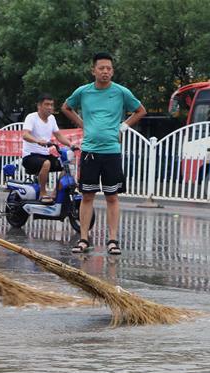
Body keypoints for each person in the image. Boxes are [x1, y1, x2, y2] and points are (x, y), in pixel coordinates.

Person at [62, 52, 146, 256]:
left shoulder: (121, 92)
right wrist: (83, 124)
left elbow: (140, 110)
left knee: (112, 196)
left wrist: (123, 127)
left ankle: (113, 240)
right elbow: (66, 107)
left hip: (111, 152)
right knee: (87, 196)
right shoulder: (83, 92)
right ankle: (83, 239)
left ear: (112, 71)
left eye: (109, 68)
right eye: (101, 68)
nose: (105, 71)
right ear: (93, 70)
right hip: (90, 151)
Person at [21, 93, 77, 203]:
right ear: (39, 106)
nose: (50, 107)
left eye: (51, 105)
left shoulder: (52, 118)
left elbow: (59, 135)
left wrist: (71, 145)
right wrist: (37, 141)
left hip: (45, 155)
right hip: (30, 156)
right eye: (47, 104)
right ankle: (43, 193)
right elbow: (25, 135)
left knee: (67, 164)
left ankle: (55, 193)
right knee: (46, 163)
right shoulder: (31, 117)